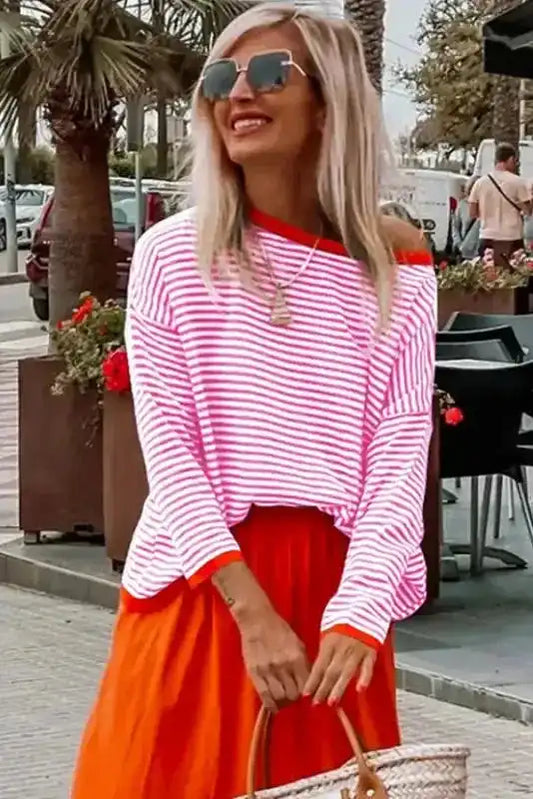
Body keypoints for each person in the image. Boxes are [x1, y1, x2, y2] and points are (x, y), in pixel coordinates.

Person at [72, 4, 436, 797]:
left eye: (271, 73)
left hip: (337, 600)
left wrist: (363, 608)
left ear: (327, 104)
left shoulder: (395, 267)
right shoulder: (174, 255)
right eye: (219, 79)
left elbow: (402, 447)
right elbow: (168, 450)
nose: (239, 94)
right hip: (206, 590)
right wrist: (251, 612)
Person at [469, 142, 532, 262]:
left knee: (488, 275)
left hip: (487, 236)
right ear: (510, 159)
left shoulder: (480, 183)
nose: (515, 164)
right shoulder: (518, 182)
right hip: (511, 237)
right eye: (515, 161)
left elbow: (472, 213)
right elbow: (528, 210)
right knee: (512, 276)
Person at [452, 176, 481, 261]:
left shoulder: (487, 206)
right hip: (464, 252)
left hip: (480, 253)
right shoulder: (463, 205)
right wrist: (458, 243)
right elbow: (455, 226)